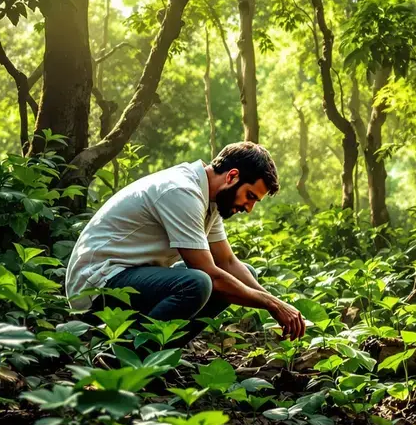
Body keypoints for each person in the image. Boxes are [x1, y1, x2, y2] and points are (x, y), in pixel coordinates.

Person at [65, 142, 306, 347]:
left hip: (130, 279)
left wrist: (279, 304)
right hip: (97, 284)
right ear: (232, 176)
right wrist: (272, 305)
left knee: (243, 274)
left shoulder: (209, 200)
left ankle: (154, 355)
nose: (248, 207)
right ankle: (125, 358)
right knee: (199, 283)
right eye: (250, 196)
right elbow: (212, 275)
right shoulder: (182, 191)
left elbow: (228, 262)